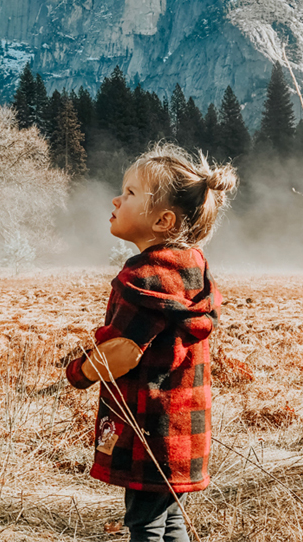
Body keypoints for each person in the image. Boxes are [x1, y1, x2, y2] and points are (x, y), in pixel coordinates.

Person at [65, 143, 237, 542]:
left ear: (162, 220)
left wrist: (77, 371)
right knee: (169, 519)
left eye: (129, 194)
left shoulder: (142, 277)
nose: (116, 198)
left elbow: (121, 352)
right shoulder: (195, 266)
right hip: (185, 429)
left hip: (148, 427)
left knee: (144, 525)